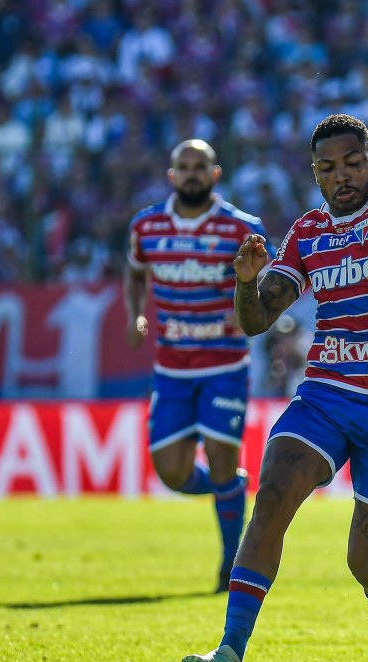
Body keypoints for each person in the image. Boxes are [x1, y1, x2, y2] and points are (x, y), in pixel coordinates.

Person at [181, 114, 368, 662]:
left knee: (366, 562)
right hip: (326, 396)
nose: (342, 176)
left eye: (353, 163)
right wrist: (246, 282)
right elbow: (257, 321)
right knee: (272, 493)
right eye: (328, 168)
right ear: (315, 175)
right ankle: (229, 650)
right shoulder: (307, 233)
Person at [124, 139, 266, 593]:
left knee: (224, 461)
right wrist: (136, 314)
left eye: (198, 166)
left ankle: (231, 566)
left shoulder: (240, 228)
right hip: (171, 368)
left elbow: (267, 281)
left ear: (214, 173)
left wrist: (243, 304)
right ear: (171, 175)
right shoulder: (146, 226)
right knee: (173, 474)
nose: (190, 174)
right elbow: (134, 272)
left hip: (225, 364)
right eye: (182, 167)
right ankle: (231, 493)